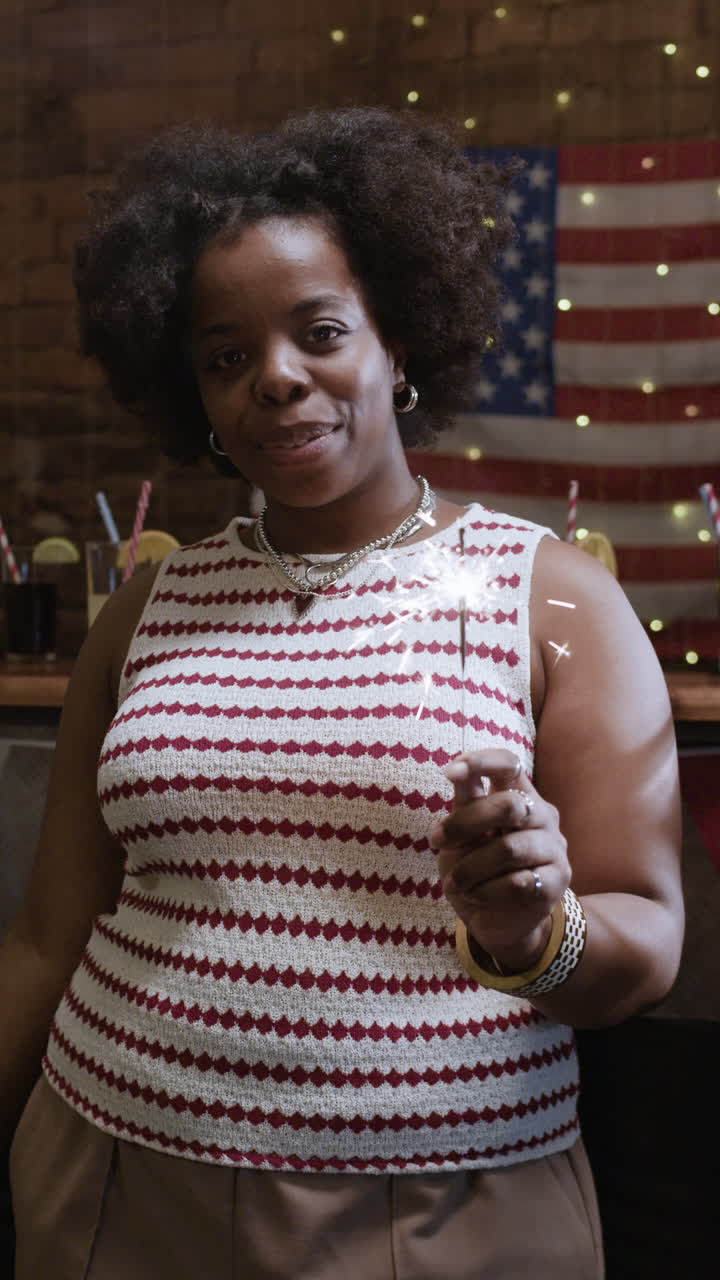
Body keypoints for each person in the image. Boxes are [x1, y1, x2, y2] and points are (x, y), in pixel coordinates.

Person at [3, 108, 683, 1279]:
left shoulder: (549, 599)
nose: (276, 379)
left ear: (400, 343)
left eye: (320, 330)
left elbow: (647, 935)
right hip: (115, 1175)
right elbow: (51, 934)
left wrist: (538, 933)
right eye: (225, 356)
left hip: (445, 1207)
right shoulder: (144, 612)